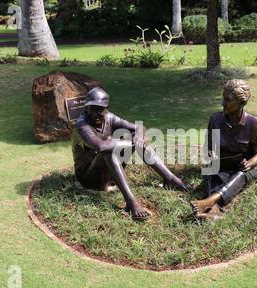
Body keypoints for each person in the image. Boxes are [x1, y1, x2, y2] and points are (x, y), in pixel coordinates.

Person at [72, 87, 189, 220]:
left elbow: (139, 127)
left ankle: (170, 179)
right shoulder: (82, 125)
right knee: (108, 151)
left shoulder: (109, 117)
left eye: (100, 109)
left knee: (137, 140)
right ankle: (131, 203)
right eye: (92, 109)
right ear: (86, 108)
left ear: (107, 109)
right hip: (89, 178)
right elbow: (101, 146)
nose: (95, 114)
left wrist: (139, 137)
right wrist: (134, 143)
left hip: (107, 173)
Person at [190, 79, 257, 220]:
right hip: (221, 164)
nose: (223, 103)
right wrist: (210, 154)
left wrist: (249, 163)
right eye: (223, 98)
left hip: (246, 168)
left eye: (228, 100)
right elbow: (208, 147)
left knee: (239, 175)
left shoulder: (254, 122)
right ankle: (213, 212)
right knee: (209, 173)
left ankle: (207, 202)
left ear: (241, 102)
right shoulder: (215, 119)